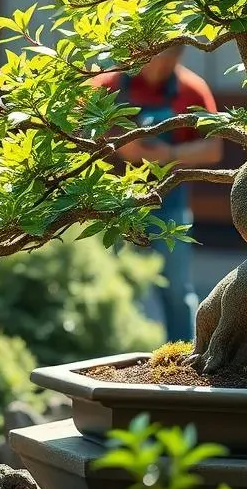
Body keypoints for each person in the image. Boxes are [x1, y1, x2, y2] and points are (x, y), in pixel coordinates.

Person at [92, 47, 223, 342]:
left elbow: (213, 148)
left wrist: (169, 153)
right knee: (112, 285)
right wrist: (117, 146)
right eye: (158, 55)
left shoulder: (192, 89)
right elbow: (75, 128)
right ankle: (110, 351)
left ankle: (184, 354)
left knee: (177, 289)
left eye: (173, 56)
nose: (164, 64)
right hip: (111, 206)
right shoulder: (107, 84)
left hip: (170, 204)